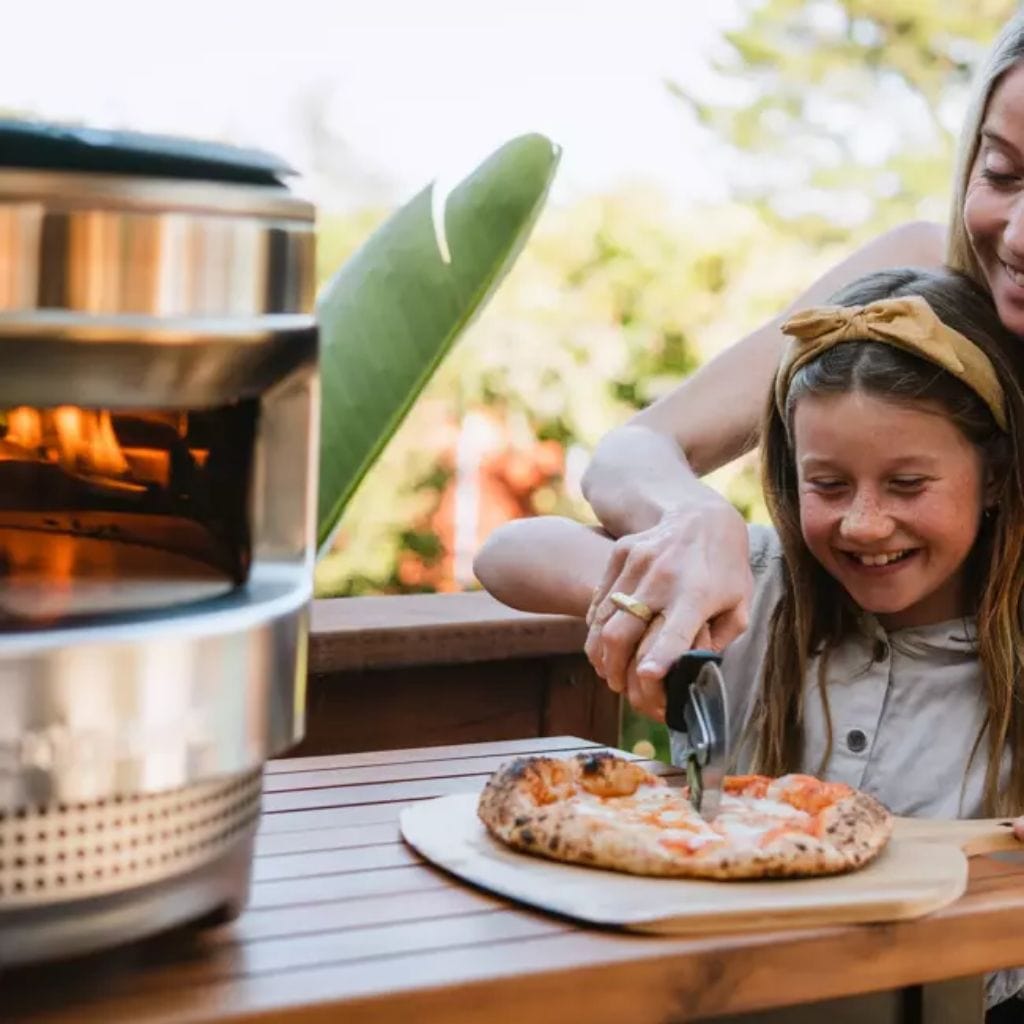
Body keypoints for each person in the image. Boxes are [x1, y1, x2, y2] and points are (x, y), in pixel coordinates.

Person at [474, 266, 1024, 1012]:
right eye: (827, 485)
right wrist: (663, 603)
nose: (863, 523)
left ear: (993, 477)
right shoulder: (753, 591)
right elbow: (507, 553)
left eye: (906, 485)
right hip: (735, 997)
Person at [578, 12, 1024, 719]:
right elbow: (630, 454)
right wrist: (695, 519)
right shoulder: (914, 281)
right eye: (1001, 171)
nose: (1019, 237)